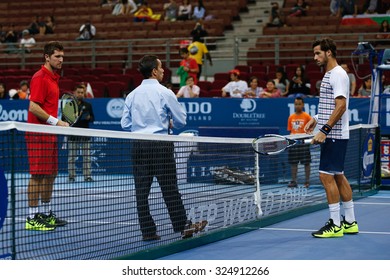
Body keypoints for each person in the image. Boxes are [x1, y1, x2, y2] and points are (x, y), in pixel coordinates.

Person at [121, 55, 207, 241]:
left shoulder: (132, 94)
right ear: (154, 71)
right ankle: (183, 227)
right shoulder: (165, 92)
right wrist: (169, 123)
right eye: (161, 68)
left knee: (141, 192)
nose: (163, 71)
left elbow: (125, 124)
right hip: (160, 146)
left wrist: (141, 127)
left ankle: (148, 232)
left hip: (138, 145)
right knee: (169, 188)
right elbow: (181, 121)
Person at [305, 37, 359, 238]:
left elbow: (341, 106)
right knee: (338, 175)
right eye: (314, 53)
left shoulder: (337, 74)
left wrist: (324, 130)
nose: (315, 57)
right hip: (335, 133)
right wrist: (316, 118)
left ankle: (335, 225)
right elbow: (331, 106)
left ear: (329, 52)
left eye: (318, 53)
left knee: (325, 176)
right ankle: (350, 222)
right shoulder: (331, 74)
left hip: (334, 135)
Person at [25, 41, 69, 231]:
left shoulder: (53, 78)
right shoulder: (40, 77)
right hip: (38, 134)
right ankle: (31, 218)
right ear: (47, 57)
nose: (61, 60)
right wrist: (56, 122)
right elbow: (33, 106)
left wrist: (56, 124)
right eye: (57, 56)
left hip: (50, 133)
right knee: (37, 175)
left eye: (62, 57)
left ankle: (46, 213)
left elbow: (47, 107)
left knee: (51, 174)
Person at [67, 84, 95, 183]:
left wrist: (89, 118)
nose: (80, 94)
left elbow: (93, 119)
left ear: (84, 93)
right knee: (71, 157)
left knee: (87, 157)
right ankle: (71, 176)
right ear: (74, 93)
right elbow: (64, 120)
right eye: (78, 92)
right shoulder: (69, 105)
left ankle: (87, 176)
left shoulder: (88, 105)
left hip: (85, 134)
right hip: (73, 135)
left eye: (82, 92)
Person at [287, 97, 312, 188]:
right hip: (294, 143)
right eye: (296, 104)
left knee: (306, 163)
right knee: (294, 163)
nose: (297, 106)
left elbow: (310, 130)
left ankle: (307, 181)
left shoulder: (307, 117)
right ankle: (294, 181)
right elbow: (291, 131)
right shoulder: (291, 117)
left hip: (303, 143)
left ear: (303, 105)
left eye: (299, 104)